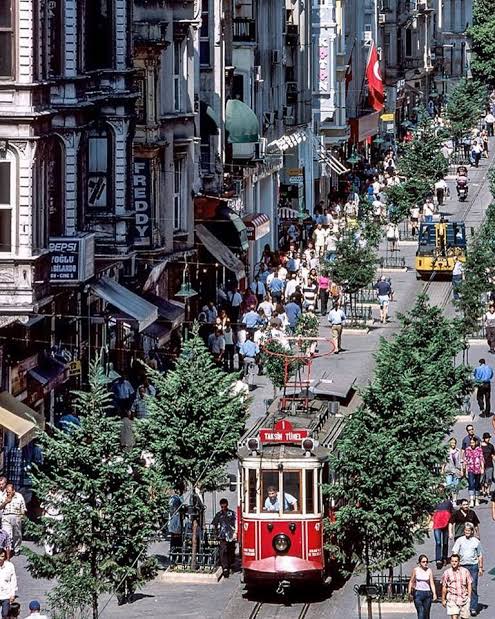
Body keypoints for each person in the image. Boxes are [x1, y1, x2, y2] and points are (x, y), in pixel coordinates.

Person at [452, 524, 483, 616]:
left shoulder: (476, 541)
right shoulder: (460, 541)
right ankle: (462, 605)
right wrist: (455, 565)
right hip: (462, 566)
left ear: (472, 531)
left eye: (469, 531)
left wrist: (480, 567)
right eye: (465, 530)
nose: (467, 532)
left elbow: (480, 555)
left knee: (473, 586)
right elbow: (454, 552)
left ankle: (473, 607)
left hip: (473, 566)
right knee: (462, 586)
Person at [441, 553, 472, 619]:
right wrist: (443, 599)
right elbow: (444, 586)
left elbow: (469, 584)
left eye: (455, 561)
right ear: (450, 562)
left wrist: (469, 596)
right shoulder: (447, 573)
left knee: (465, 617)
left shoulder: (465, 571)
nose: (454, 563)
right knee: (454, 617)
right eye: (452, 561)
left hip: (464, 598)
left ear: (459, 562)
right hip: (452, 598)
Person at [212, 499, 236, 578]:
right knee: (223, 551)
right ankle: (225, 568)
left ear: (227, 505)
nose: (223, 508)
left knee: (230, 551)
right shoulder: (219, 514)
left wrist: (235, 533)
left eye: (224, 506)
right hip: (222, 536)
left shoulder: (231, 514)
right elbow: (214, 524)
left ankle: (230, 565)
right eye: (222, 506)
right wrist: (215, 534)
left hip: (230, 536)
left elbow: (235, 523)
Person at [408, 554, 437, 619]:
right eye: (423, 562)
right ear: (420, 563)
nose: (425, 563)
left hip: (427, 593)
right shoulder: (416, 570)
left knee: (426, 614)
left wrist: (434, 594)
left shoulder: (429, 570)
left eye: (426, 562)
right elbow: (411, 581)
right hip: (418, 593)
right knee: (421, 612)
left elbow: (432, 583)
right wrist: (409, 593)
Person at [0, 485, 26, 554]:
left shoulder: (19, 496)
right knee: (6, 533)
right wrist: (5, 502)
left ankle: (16, 548)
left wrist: (22, 516)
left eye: (10, 492)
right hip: (6, 516)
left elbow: (23, 508)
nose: (8, 493)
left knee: (17, 534)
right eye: (7, 492)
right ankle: (7, 550)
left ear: (14, 491)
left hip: (16, 516)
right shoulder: (3, 496)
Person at [433, 495, 454, 569]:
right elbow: (430, 512)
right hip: (437, 524)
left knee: (445, 542)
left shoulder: (448, 503)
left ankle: (444, 557)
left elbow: (452, 512)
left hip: (446, 524)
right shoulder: (434, 502)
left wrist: (450, 525)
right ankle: (438, 559)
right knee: (438, 542)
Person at [464, 438, 484, 507]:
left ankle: (477, 499)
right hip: (470, 469)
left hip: (478, 469)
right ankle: (472, 500)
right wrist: (466, 470)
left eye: (473, 442)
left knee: (477, 484)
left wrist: (482, 468)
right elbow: (466, 460)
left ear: (476, 443)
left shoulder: (479, 449)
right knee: (471, 484)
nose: (472, 444)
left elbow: (481, 458)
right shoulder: (467, 449)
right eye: (471, 443)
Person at [168, 487, 184, 565]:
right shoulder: (176, 499)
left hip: (175, 529)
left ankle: (176, 559)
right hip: (176, 529)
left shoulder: (175, 499)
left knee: (176, 544)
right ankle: (176, 559)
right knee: (176, 544)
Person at [0, 549, 16, 619]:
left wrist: (12, 594)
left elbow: (13, 580)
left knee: (5, 614)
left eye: (2, 556)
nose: (0, 559)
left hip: (5, 595)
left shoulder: (9, 566)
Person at [480, 433, 494, 497]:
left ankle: (488, 491)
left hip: (490, 464)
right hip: (482, 464)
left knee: (489, 478)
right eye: (486, 438)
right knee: (482, 479)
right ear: (484, 438)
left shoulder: (491, 446)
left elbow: (493, 455)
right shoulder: (480, 446)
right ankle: (483, 491)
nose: (488, 439)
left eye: (488, 438)